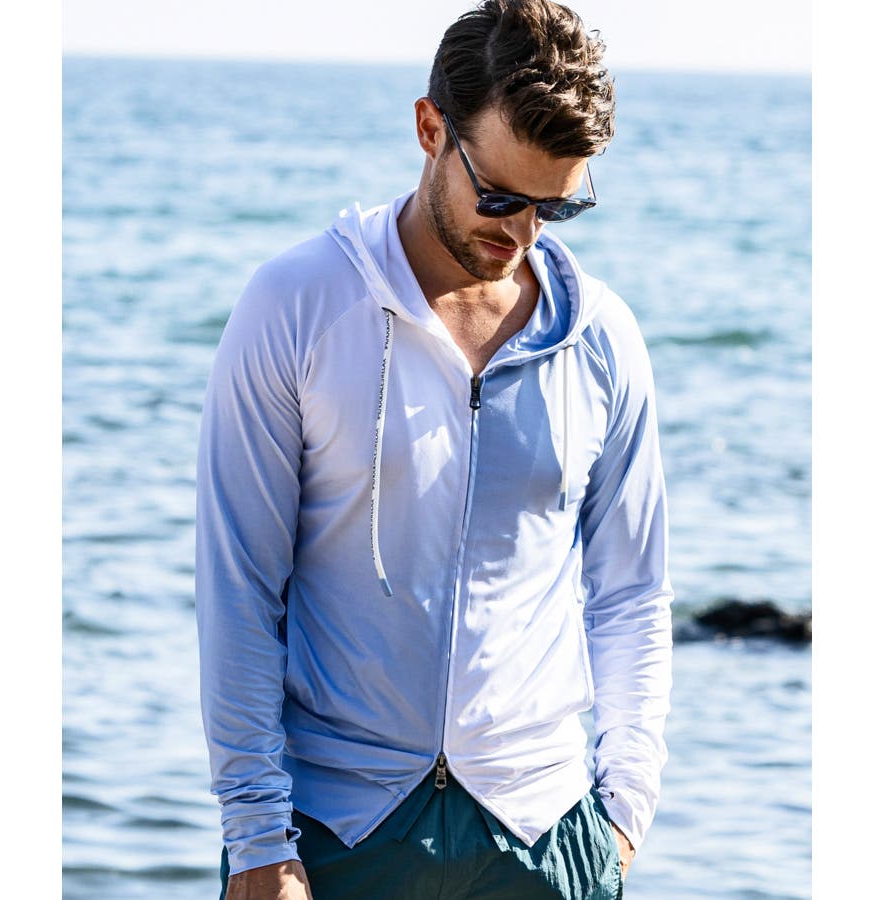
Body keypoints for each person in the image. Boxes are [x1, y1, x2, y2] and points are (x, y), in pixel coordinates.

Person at [195, 1, 673, 897]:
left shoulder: (602, 340)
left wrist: (623, 815)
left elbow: (632, 593)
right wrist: (256, 836)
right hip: (333, 834)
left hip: (544, 838)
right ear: (429, 129)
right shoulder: (295, 306)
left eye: (555, 208)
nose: (521, 232)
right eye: (499, 197)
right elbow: (239, 586)